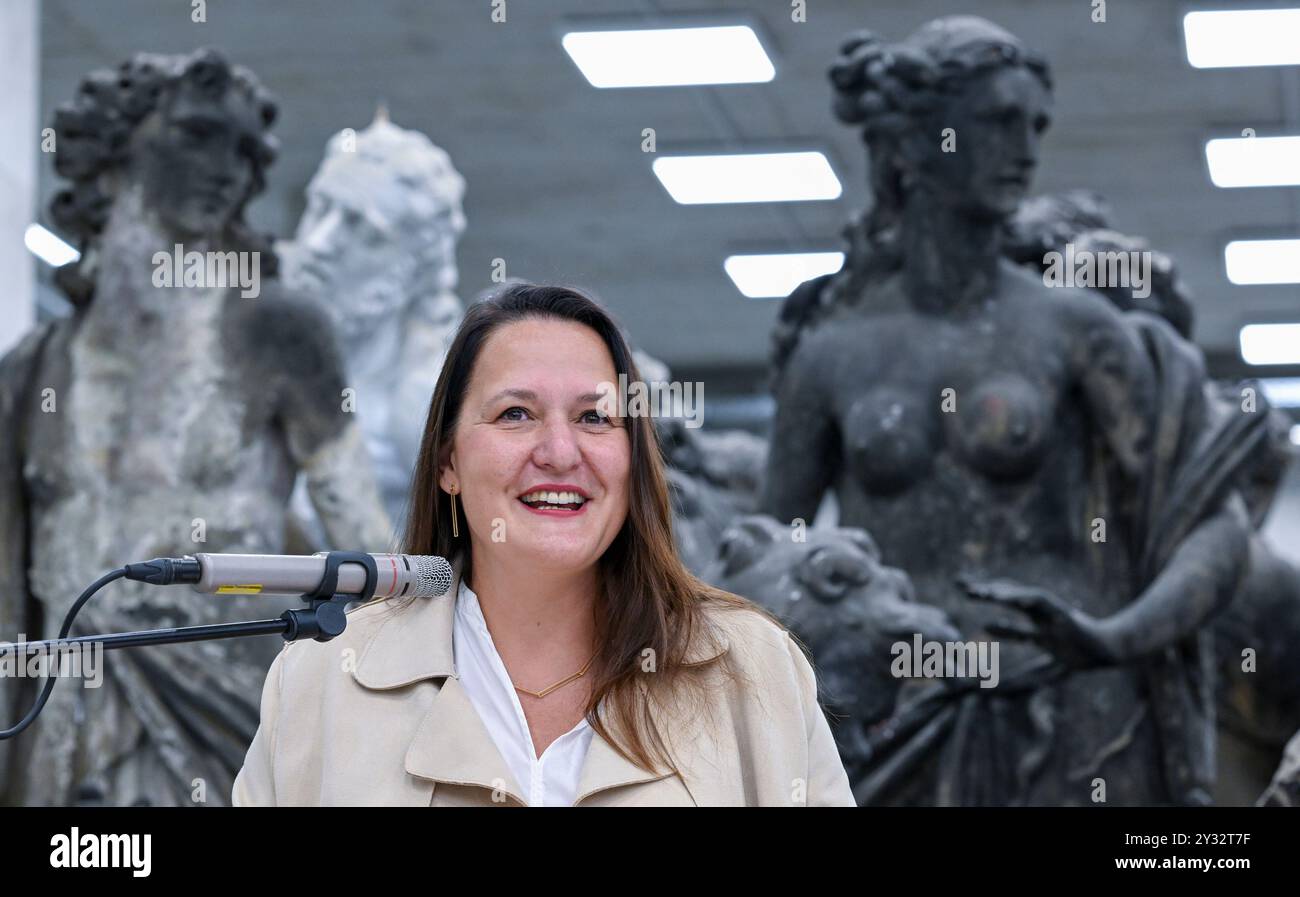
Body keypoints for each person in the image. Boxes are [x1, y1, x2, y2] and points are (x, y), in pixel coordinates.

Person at [233, 282, 854, 806]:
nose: (560, 453)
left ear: (633, 459)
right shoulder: (325, 682)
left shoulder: (752, 672)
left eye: (594, 418)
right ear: (448, 461)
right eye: (515, 415)